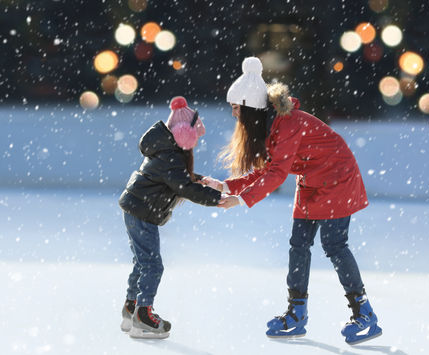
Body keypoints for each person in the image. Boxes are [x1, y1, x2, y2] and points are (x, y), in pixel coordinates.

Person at [205, 57, 382, 344]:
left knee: (334, 245)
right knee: (298, 245)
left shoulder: (288, 124)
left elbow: (276, 175)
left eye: (236, 108)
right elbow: (265, 169)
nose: (234, 114)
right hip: (311, 181)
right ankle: (296, 313)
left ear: (250, 107)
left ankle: (364, 314)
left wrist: (241, 200)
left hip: (338, 178)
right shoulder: (268, 125)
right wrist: (226, 185)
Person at [118, 96, 221, 339]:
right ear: (183, 134)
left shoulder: (166, 151)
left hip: (136, 208)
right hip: (142, 212)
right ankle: (143, 317)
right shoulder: (171, 156)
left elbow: (178, 179)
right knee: (153, 265)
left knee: (142, 262)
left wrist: (199, 180)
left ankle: (131, 308)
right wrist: (215, 198)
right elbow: (182, 187)